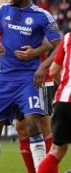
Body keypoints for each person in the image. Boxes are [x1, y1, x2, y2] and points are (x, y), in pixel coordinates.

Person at [0, 0, 61, 172]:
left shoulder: (42, 16)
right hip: (5, 78)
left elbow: (58, 45)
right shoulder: (3, 11)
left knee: (36, 124)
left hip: (30, 77)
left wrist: (41, 63)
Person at [38, 31, 71, 173]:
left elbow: (53, 71)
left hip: (64, 100)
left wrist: (65, 85)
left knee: (57, 150)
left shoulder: (68, 37)